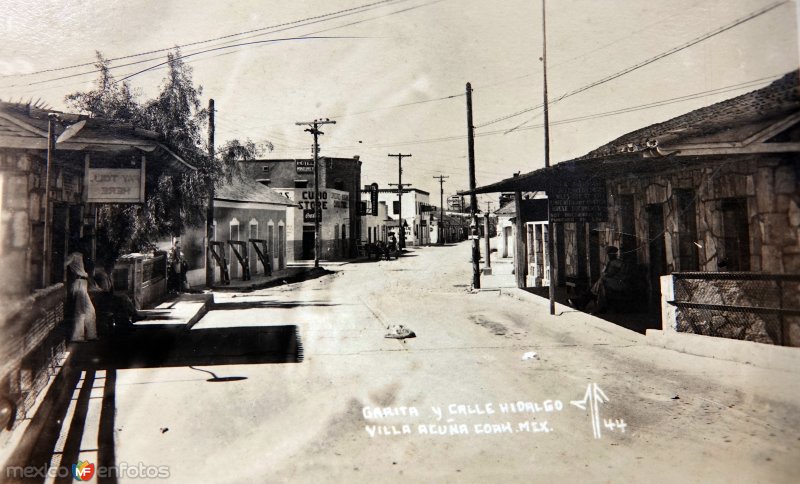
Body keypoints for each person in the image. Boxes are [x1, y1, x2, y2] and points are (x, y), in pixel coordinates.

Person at [65, 252, 97, 342]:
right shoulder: (74, 255)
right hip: (78, 281)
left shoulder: (84, 257)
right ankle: (77, 337)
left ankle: (91, 335)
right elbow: (63, 264)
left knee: (90, 310)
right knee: (80, 310)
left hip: (83, 283)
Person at [589, 246, 629, 314]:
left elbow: (609, 274)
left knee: (601, 281)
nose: (608, 256)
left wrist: (606, 271)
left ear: (614, 254)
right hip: (613, 281)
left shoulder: (618, 263)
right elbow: (605, 273)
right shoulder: (611, 262)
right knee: (601, 284)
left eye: (610, 254)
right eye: (608, 254)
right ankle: (599, 306)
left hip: (620, 283)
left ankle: (598, 306)